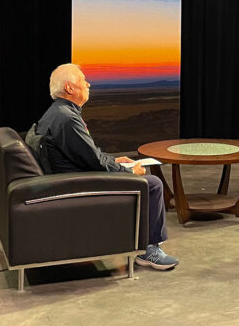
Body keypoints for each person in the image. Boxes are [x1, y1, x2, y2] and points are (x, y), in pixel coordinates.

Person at [29, 63, 178, 270]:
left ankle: (145, 245)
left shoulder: (57, 112)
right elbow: (94, 163)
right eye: (83, 80)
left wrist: (115, 161)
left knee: (144, 180)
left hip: (76, 177)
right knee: (151, 183)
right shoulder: (67, 118)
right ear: (70, 88)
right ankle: (148, 250)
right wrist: (128, 171)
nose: (88, 84)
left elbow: (89, 155)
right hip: (80, 185)